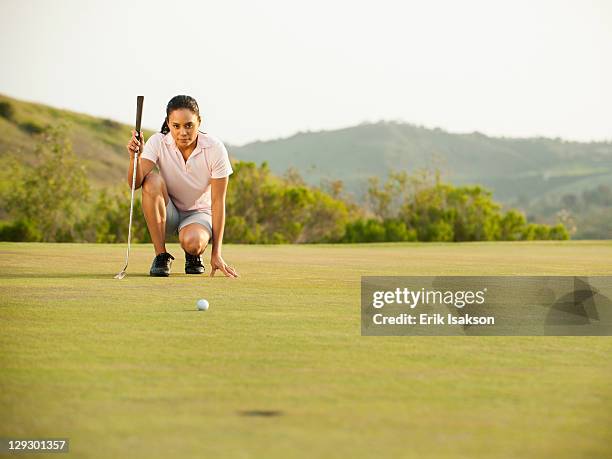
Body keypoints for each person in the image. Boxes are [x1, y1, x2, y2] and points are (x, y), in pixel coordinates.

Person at [125, 95, 239, 278]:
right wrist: (134, 158)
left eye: (189, 125)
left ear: (199, 122)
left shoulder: (215, 148)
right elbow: (134, 184)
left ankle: (193, 255)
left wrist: (216, 253)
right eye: (176, 126)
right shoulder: (157, 142)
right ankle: (161, 256)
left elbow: (218, 202)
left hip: (199, 214)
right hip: (167, 212)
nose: (182, 132)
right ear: (168, 124)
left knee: (193, 242)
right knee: (151, 180)